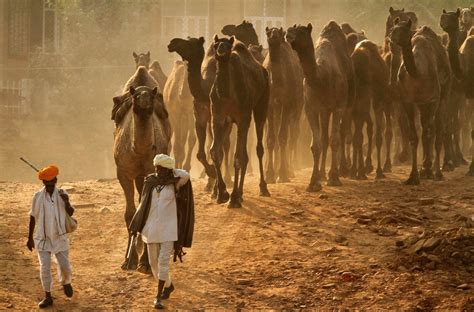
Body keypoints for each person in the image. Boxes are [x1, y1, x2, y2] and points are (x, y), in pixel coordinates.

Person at [129, 154, 194, 309]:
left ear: (167, 170)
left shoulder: (175, 184)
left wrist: (172, 171)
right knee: (153, 263)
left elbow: (186, 175)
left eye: (161, 168)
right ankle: (168, 285)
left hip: (169, 229)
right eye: (156, 167)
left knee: (163, 261)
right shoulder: (150, 182)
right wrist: (136, 225)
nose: (157, 170)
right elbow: (142, 204)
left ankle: (158, 296)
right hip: (151, 228)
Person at [26, 165, 75, 308]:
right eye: (46, 183)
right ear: (43, 183)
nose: (49, 186)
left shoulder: (62, 194)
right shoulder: (37, 197)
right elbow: (32, 217)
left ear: (55, 180)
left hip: (60, 237)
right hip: (42, 238)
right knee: (44, 268)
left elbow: (71, 213)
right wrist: (29, 238)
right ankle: (47, 295)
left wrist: (66, 202)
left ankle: (66, 282)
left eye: (51, 183)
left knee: (65, 266)